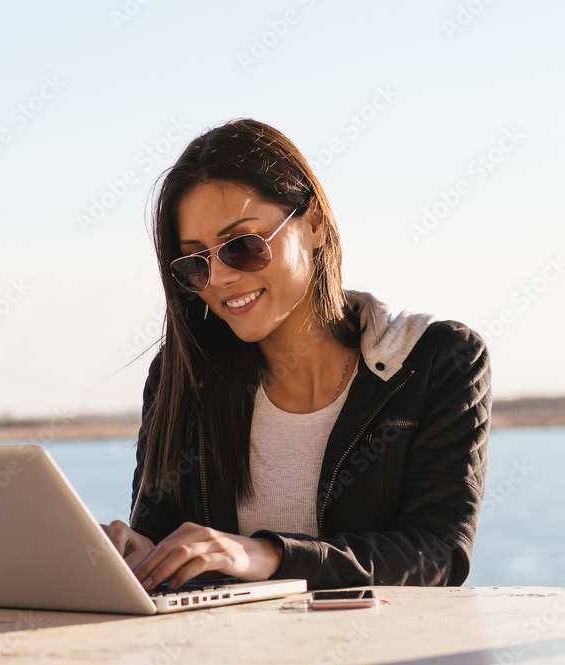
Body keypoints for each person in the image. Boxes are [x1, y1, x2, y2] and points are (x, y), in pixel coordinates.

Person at [102, 118, 491, 591]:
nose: (220, 278)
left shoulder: (435, 359)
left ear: (314, 225)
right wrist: (142, 554)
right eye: (195, 262)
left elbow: (437, 556)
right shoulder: (182, 374)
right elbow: (161, 537)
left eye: (241, 246)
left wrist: (269, 555)